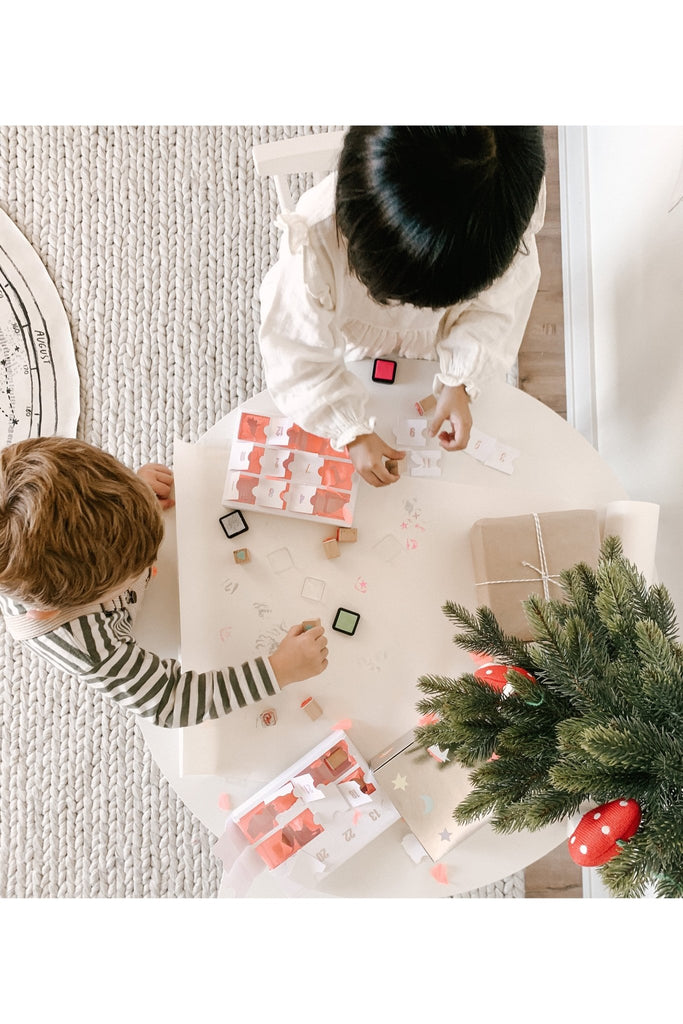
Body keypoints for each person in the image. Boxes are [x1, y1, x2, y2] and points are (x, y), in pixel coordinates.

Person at [258, 126, 546, 487]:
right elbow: (294, 357)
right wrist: (349, 430)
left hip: (436, 343)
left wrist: (459, 380)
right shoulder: (314, 246)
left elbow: (497, 309)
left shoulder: (502, 224)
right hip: (353, 334)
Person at [0, 437, 328, 728]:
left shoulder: (42, 477)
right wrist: (279, 670)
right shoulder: (85, 646)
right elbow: (170, 702)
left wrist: (135, 494)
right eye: (135, 565)